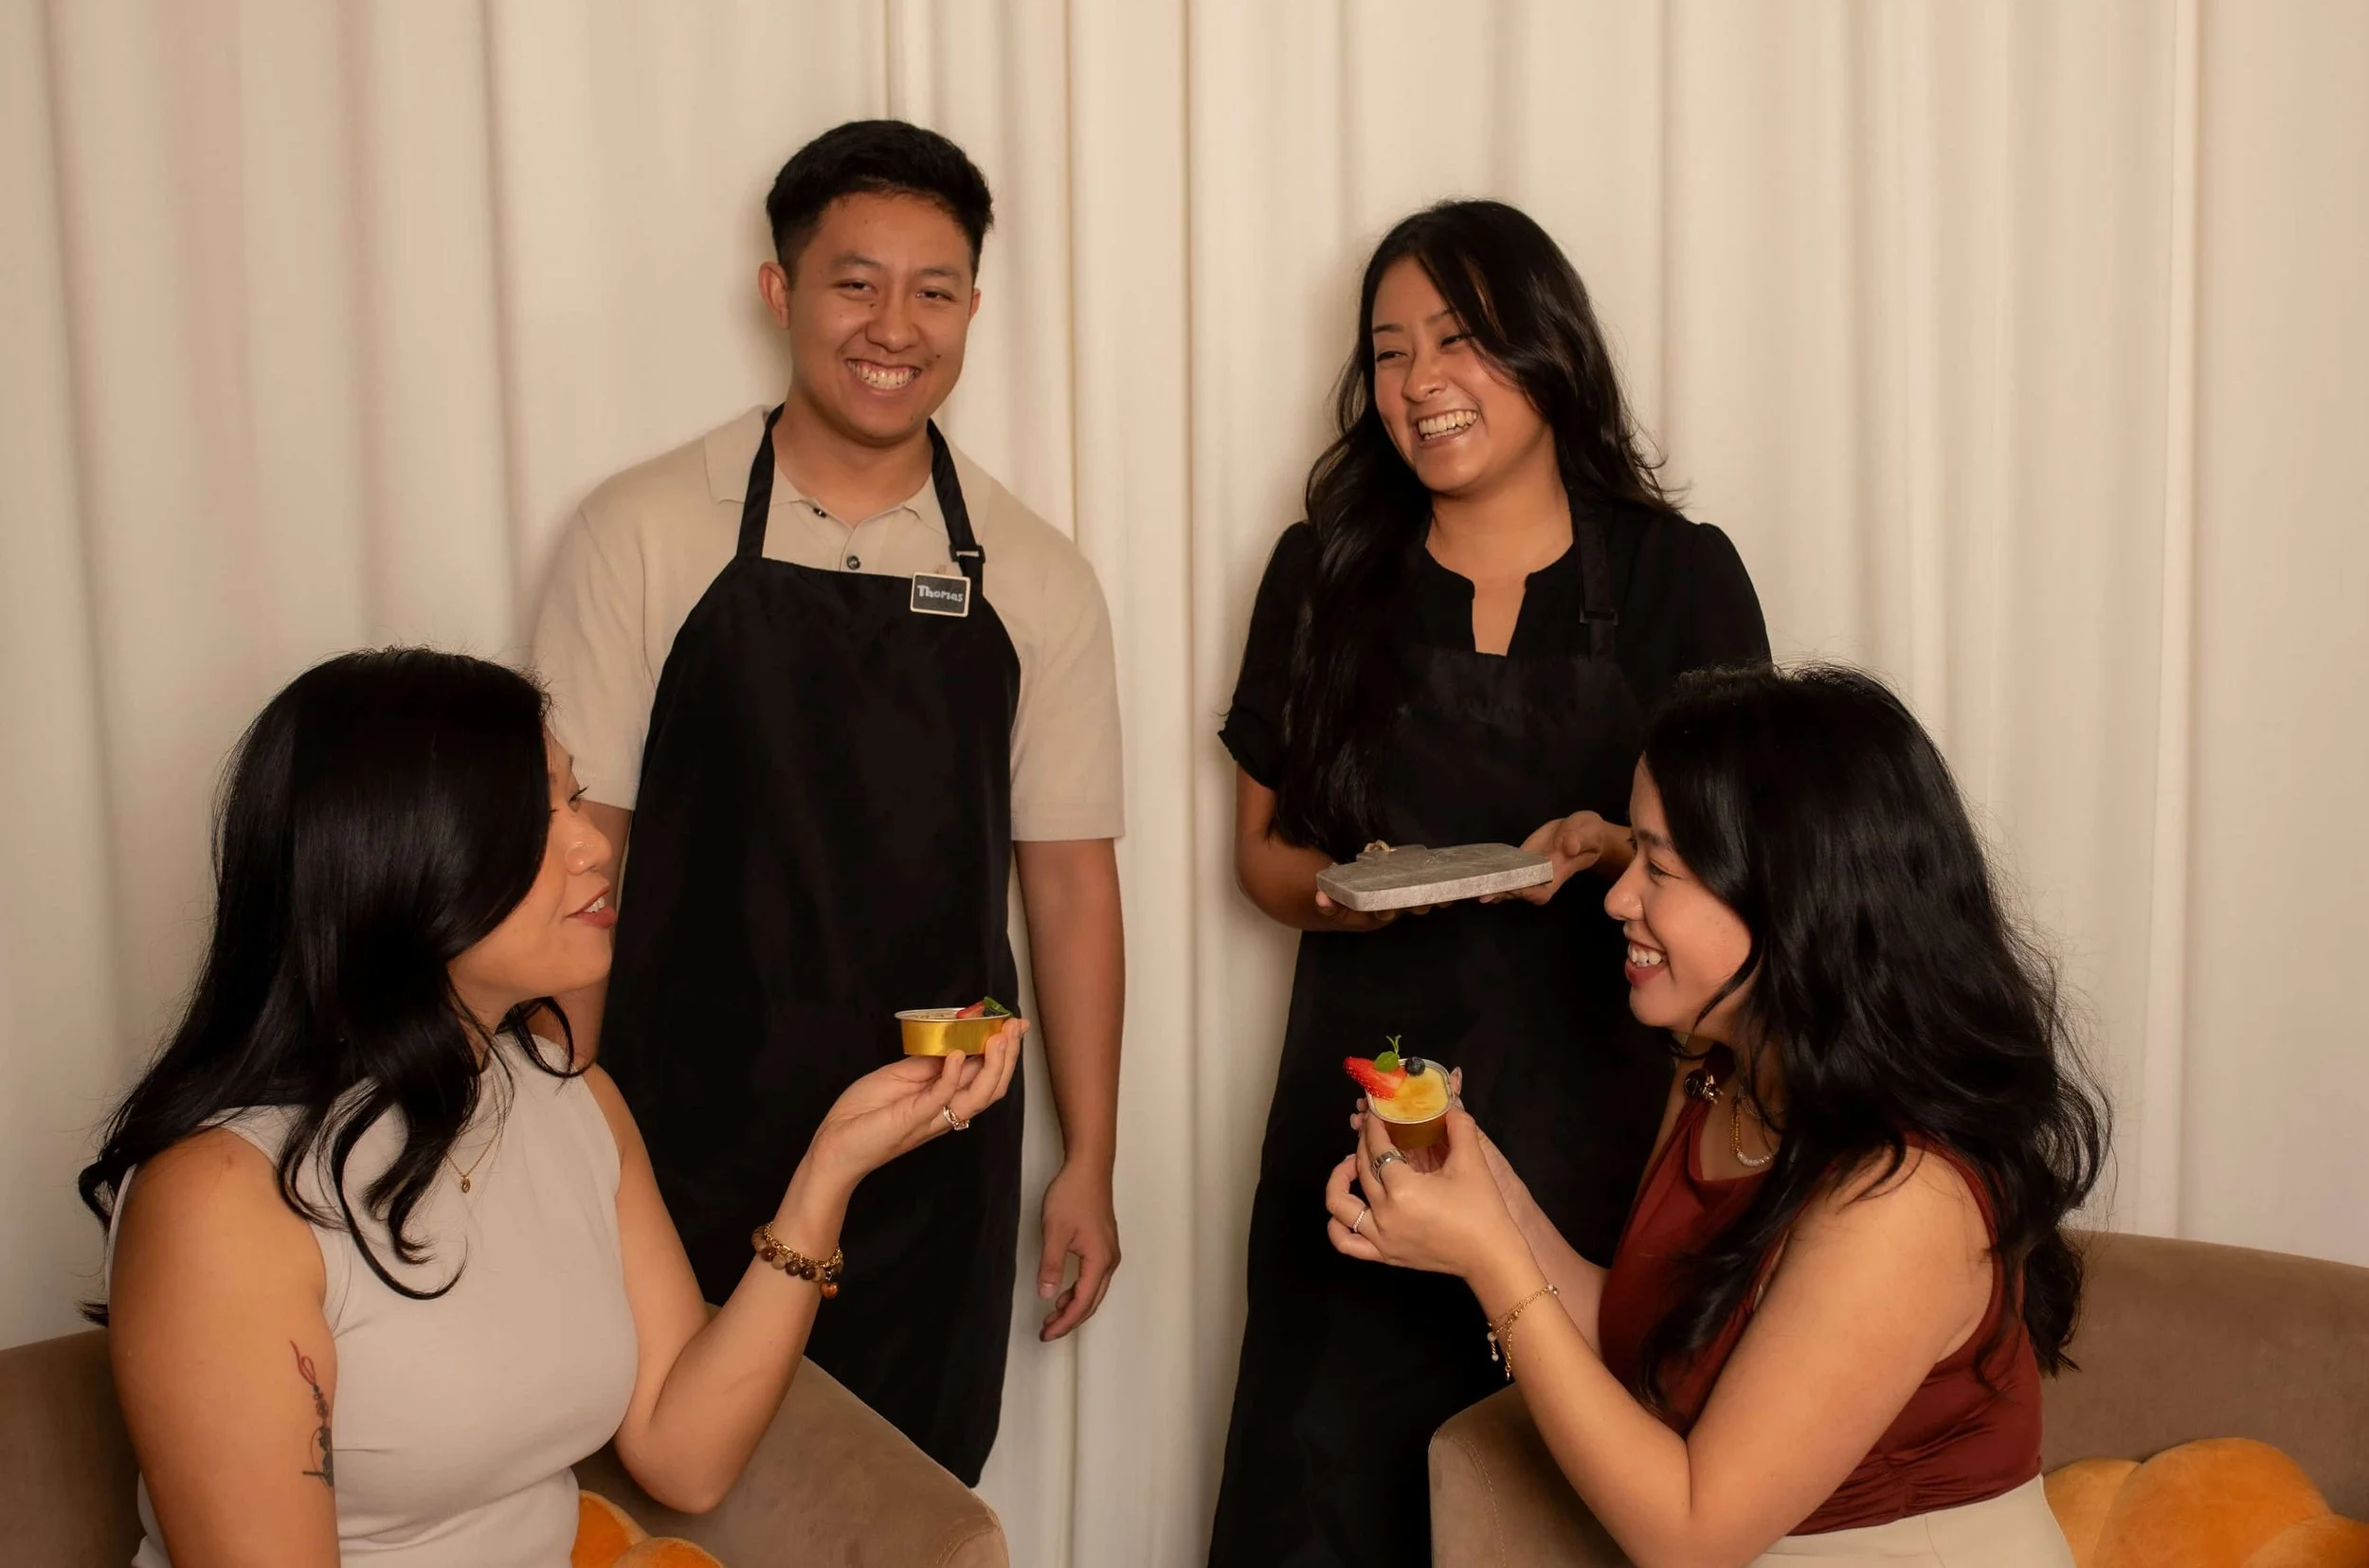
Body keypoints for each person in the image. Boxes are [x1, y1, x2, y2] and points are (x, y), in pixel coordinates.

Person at [82, 648, 1023, 1566]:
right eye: (535, 817)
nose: (593, 842)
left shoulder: (572, 1100)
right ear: (392, 859)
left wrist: (830, 1169)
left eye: (573, 798)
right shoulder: (221, 1200)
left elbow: (682, 1453)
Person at [532, 119, 1124, 1482]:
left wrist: (1089, 1154)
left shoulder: (1036, 576)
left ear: (976, 304)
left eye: (935, 289)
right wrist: (556, 1154)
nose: (894, 325)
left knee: (899, 1509)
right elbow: (578, 860)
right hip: (670, 1139)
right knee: (667, 1502)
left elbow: (1072, 883)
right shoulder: (644, 530)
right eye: (855, 282)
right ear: (779, 291)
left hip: (936, 1152)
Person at [1208, 199, 1770, 1565]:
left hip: (1605, 1128)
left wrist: (1614, 848)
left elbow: (1757, 859)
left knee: (1567, 1497)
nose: (1418, 384)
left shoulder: (1675, 575)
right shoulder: (1321, 572)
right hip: (1364, 1127)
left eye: (1457, 340)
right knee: (1324, 1494)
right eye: (1388, 352)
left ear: (1546, 347)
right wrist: (1342, 892)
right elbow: (1261, 858)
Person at [1326, 664, 2107, 1566]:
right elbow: (1642, 1341)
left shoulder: (1908, 1194)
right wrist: (1479, 1187)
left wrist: (1488, 1259)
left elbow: (1691, 1532)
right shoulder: (1716, 1068)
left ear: (1794, 901)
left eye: (1660, 867)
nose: (1619, 898)